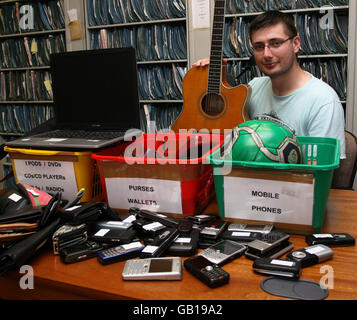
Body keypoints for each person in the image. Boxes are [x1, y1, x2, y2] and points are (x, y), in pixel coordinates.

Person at [193, 10, 346, 159]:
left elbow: (321, 174)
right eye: (259, 46)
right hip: (248, 180)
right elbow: (224, 130)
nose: (267, 54)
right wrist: (207, 75)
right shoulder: (254, 87)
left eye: (276, 43)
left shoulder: (323, 101)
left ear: (296, 44)